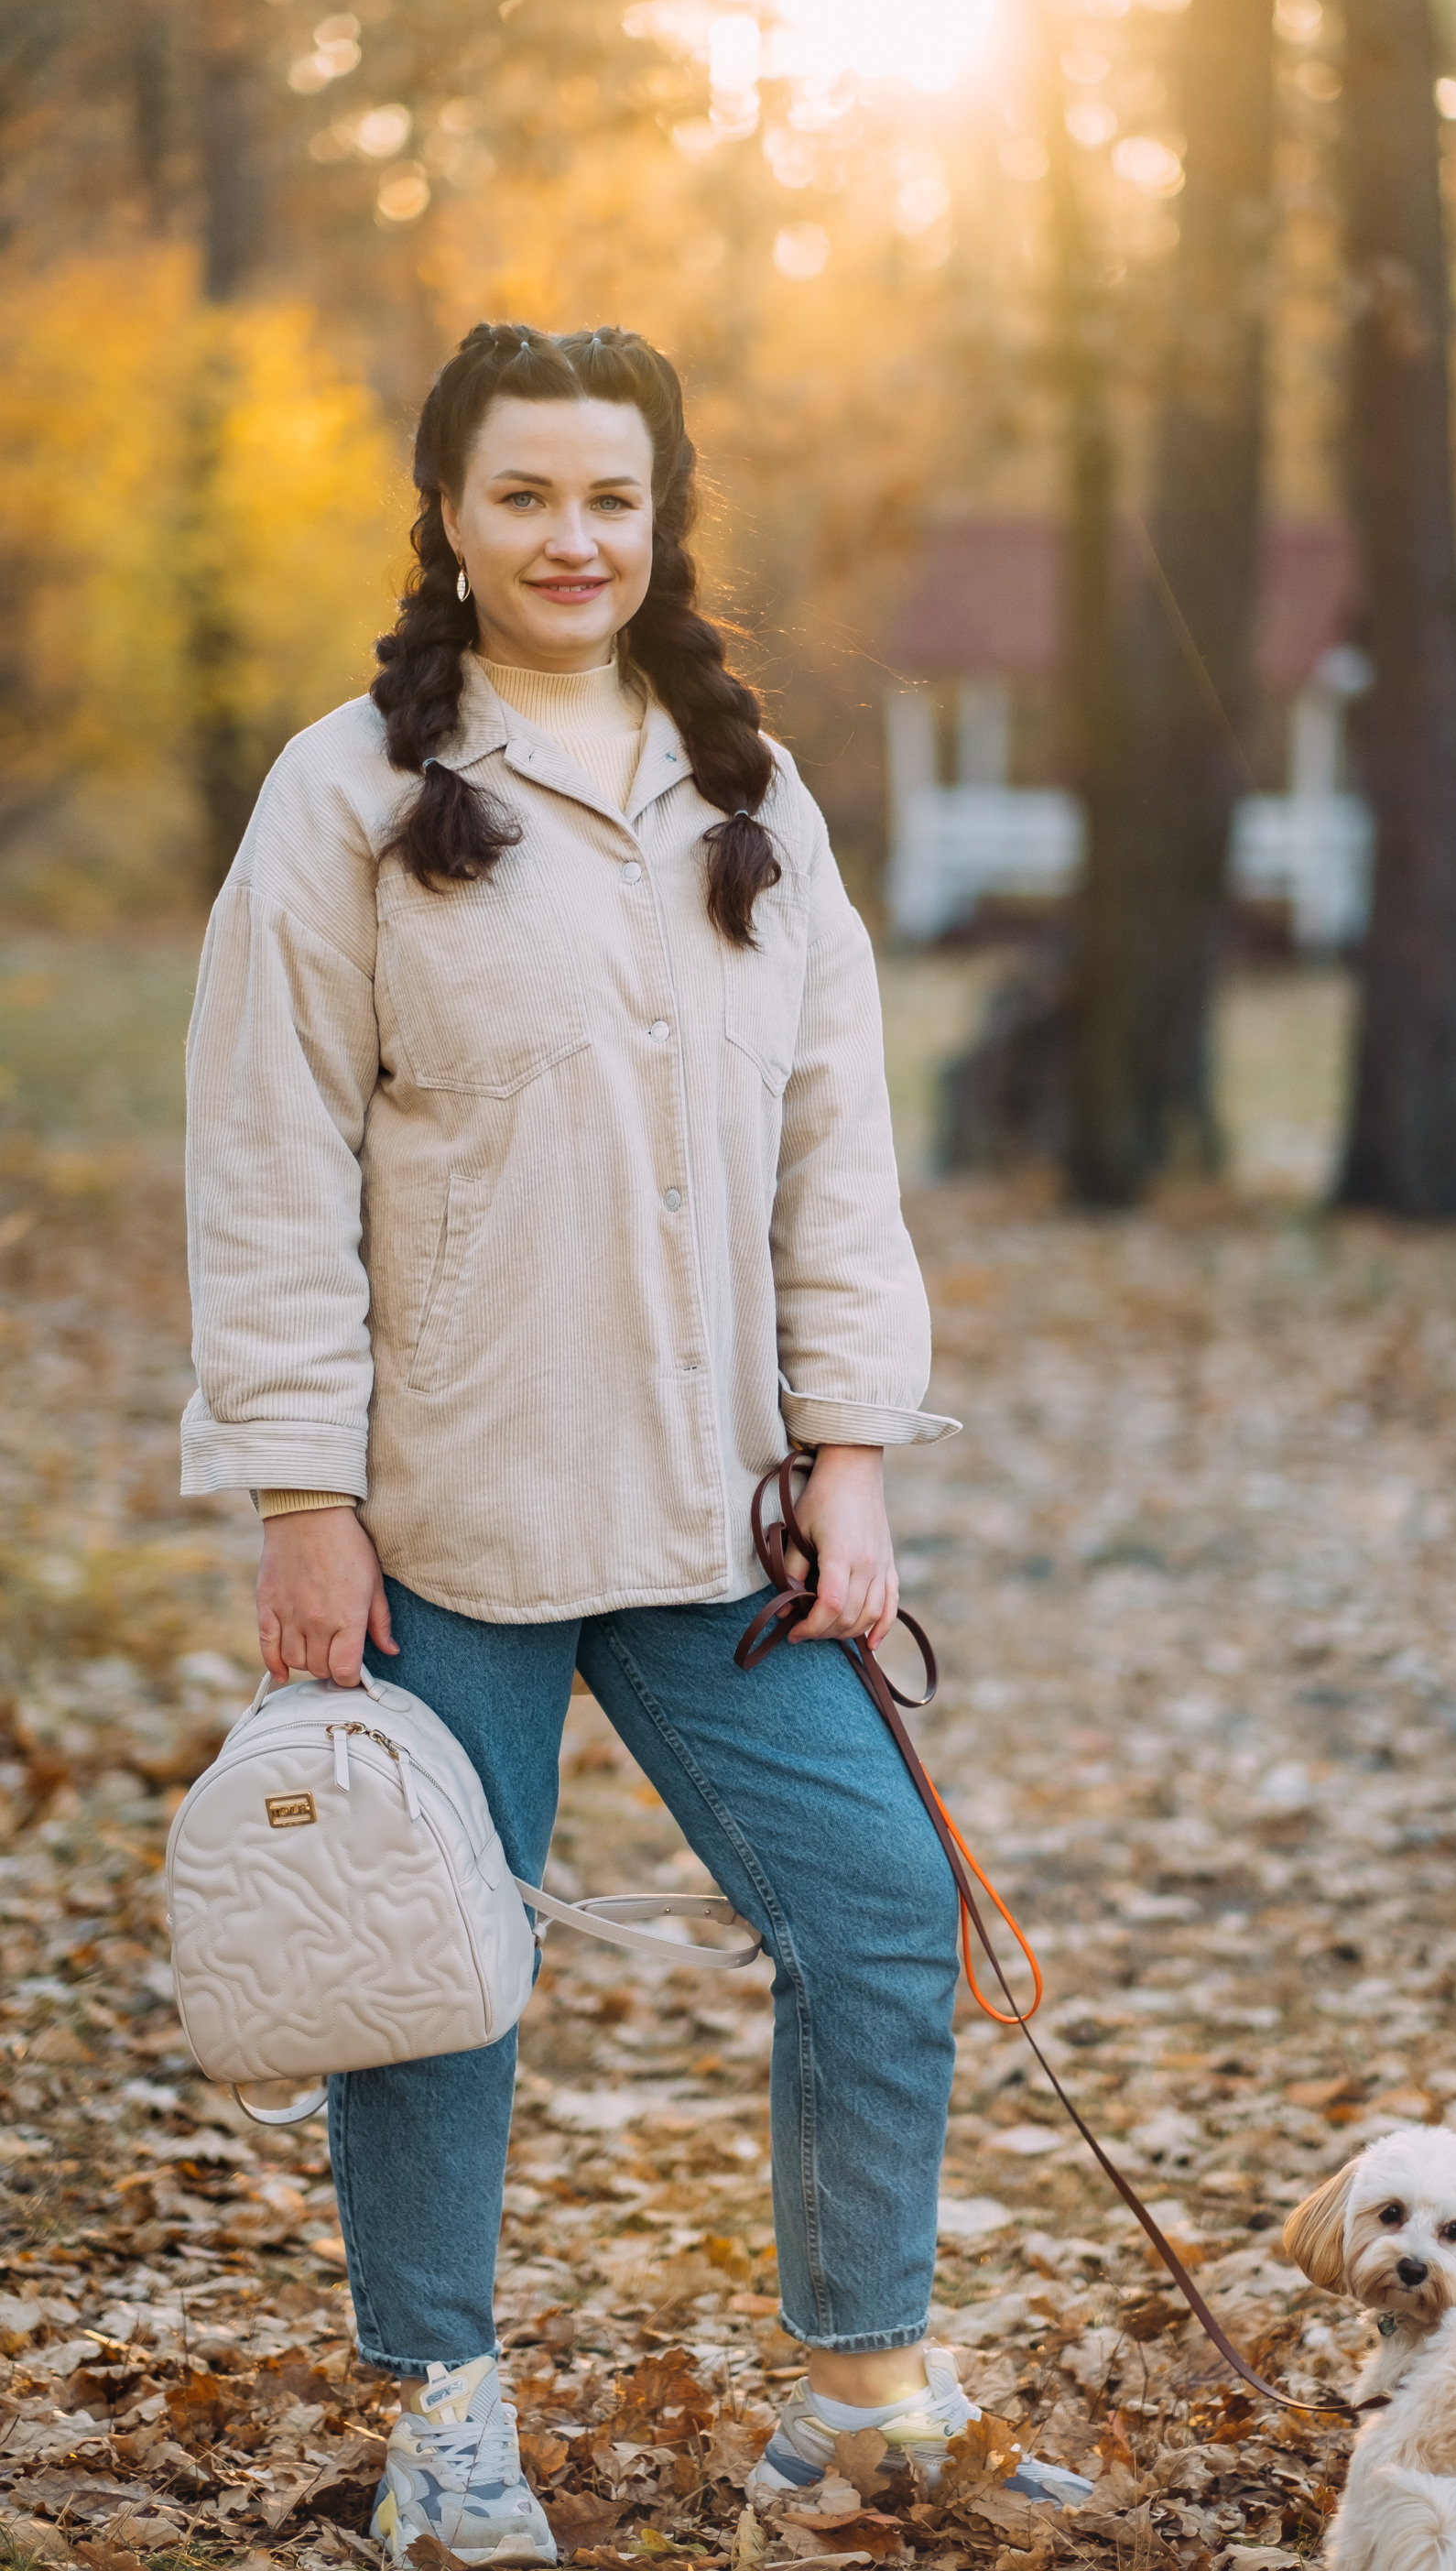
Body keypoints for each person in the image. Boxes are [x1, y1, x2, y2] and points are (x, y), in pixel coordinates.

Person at [181, 320, 1089, 2566]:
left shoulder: (751, 793)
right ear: (450, 516)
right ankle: (446, 2420)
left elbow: (833, 1153)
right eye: (524, 495)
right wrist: (303, 1495)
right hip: (444, 1517)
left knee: (879, 1911)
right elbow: (267, 1164)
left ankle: (859, 2395)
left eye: (611, 495)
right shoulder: (344, 797)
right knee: (427, 1967)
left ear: (662, 515)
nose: (570, 537)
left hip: (717, 1523)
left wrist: (849, 1451)